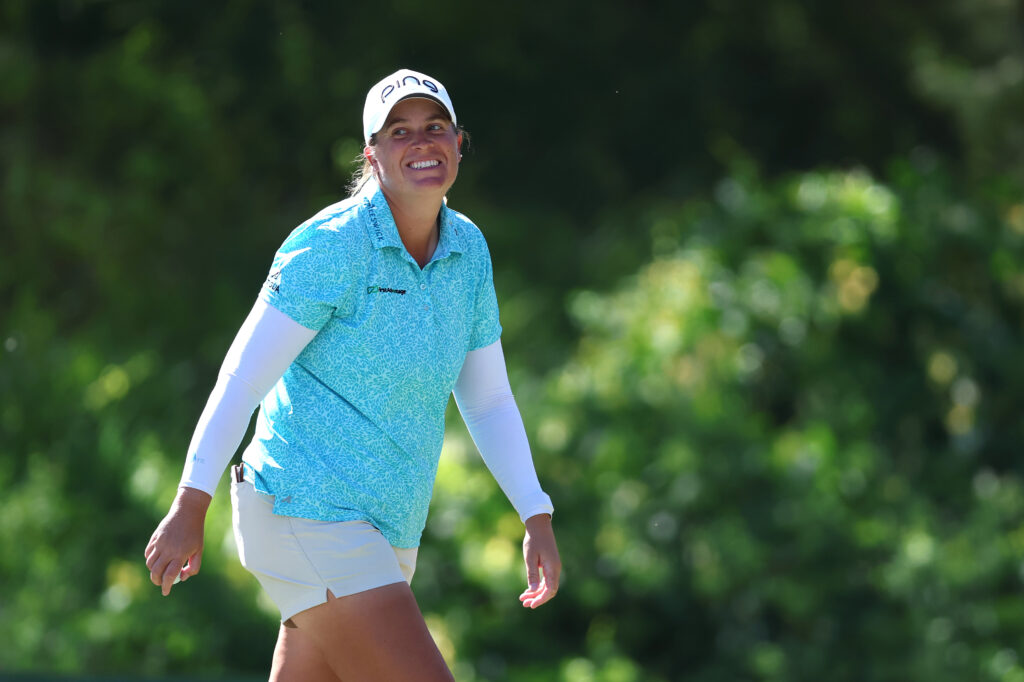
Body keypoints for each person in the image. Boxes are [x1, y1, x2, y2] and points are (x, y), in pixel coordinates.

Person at [144, 68, 561, 681]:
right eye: (399, 132)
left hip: (387, 531)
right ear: (372, 153)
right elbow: (242, 378)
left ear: (459, 142)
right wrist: (190, 500)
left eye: (435, 127)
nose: (422, 142)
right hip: (304, 508)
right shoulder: (331, 246)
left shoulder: (468, 250)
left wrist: (536, 513)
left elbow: (489, 400)